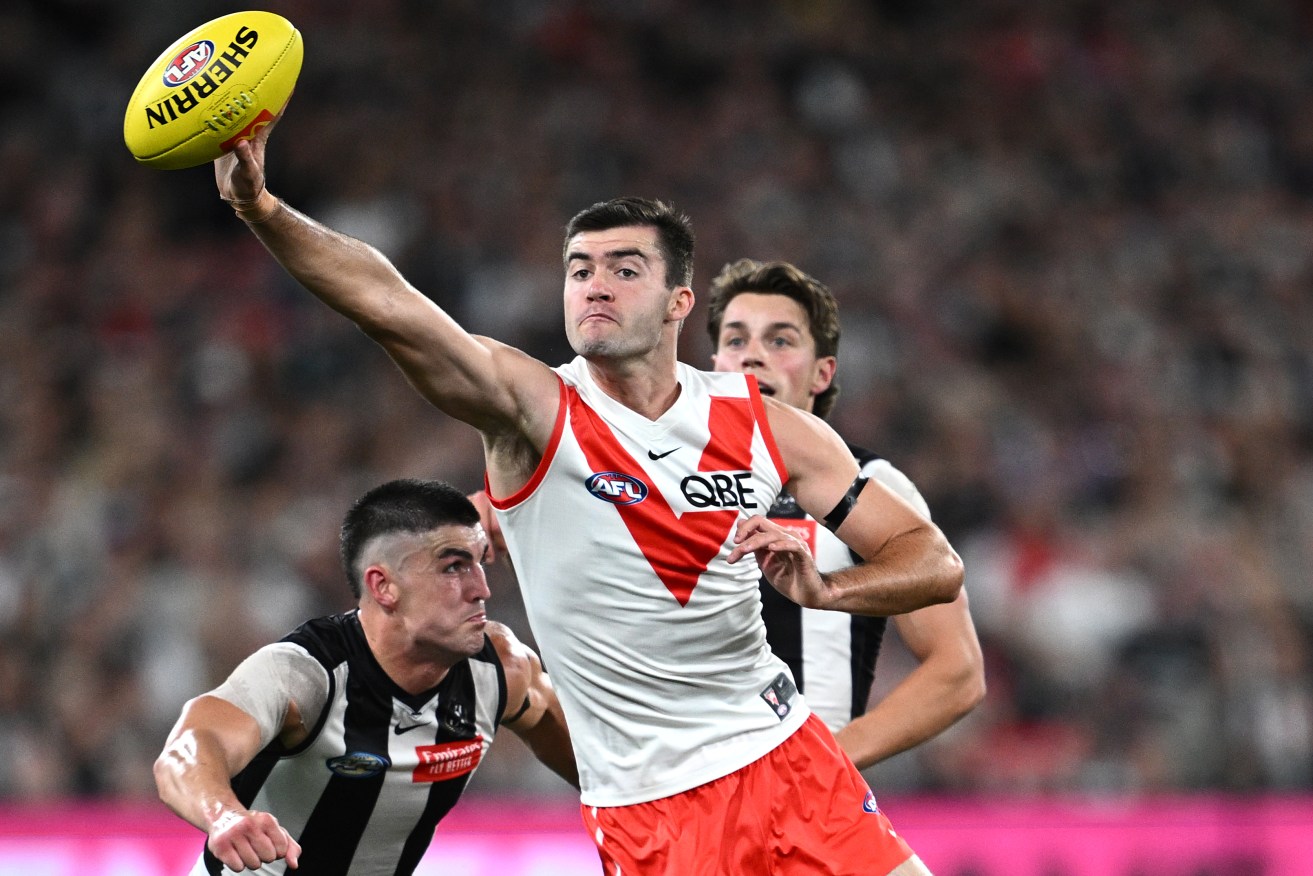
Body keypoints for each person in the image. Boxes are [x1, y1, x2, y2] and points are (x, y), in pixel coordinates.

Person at [212, 119, 963, 875]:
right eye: (579, 270)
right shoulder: (531, 410)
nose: (595, 285)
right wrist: (263, 210)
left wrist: (829, 587)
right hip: (652, 812)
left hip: (790, 764)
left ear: (678, 302)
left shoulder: (768, 426)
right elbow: (388, 303)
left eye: (624, 268)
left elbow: (931, 563)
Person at [154, 478, 576, 875]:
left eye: (479, 563)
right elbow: (186, 750)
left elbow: (604, 763)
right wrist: (224, 815)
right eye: (453, 567)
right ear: (383, 586)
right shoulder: (308, 674)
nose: (481, 588)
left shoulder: (501, 669)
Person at [706, 258, 986, 769]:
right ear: (714, 364)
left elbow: (958, 669)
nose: (753, 358)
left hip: (805, 810)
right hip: (683, 804)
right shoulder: (662, 483)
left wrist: (826, 765)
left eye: (781, 341)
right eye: (736, 341)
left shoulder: (873, 486)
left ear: (822, 373)